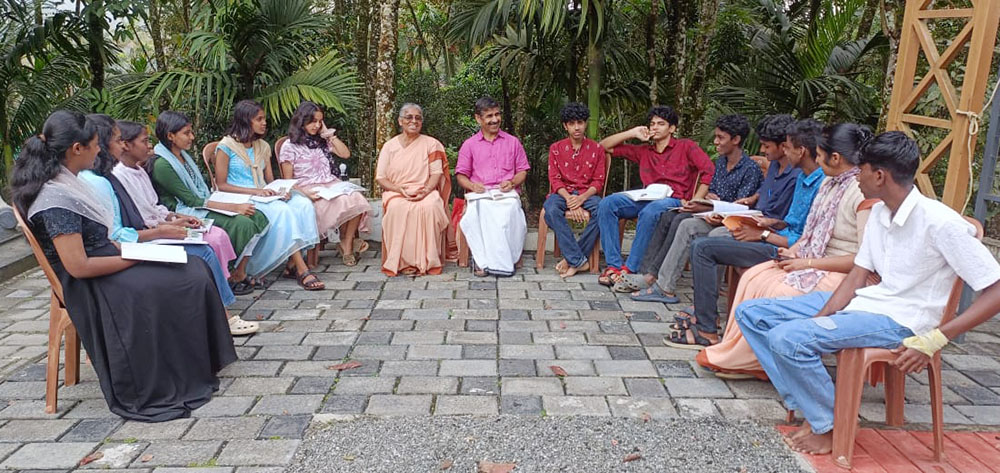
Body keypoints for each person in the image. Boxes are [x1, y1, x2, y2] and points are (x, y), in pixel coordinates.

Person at [737, 131, 1000, 455]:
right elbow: (858, 274)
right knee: (753, 313)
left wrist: (936, 339)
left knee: (787, 339)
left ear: (879, 175)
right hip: (867, 305)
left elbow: (996, 289)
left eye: (859, 169)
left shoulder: (941, 223)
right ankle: (809, 403)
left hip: (902, 320)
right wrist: (818, 320)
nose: (854, 176)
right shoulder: (879, 212)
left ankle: (830, 424)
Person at [10, 110, 236, 421]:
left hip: (107, 261)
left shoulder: (68, 182)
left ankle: (194, 365)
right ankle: (168, 376)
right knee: (183, 280)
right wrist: (134, 256)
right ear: (76, 149)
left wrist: (132, 251)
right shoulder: (55, 199)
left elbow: (98, 239)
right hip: (92, 284)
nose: (100, 149)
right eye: (94, 144)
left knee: (193, 266)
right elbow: (78, 267)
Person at [697, 123, 876, 378]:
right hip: (816, 260)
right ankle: (742, 354)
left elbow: (865, 260)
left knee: (779, 289)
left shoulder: (861, 192)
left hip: (846, 274)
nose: (817, 159)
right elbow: (811, 232)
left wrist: (809, 263)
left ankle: (759, 361)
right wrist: (798, 252)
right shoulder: (830, 183)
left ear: (835, 158)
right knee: (753, 276)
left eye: (821, 154)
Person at [77, 114, 258, 336]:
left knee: (208, 242)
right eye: (117, 141)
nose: (147, 146)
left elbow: (151, 207)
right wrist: (160, 231)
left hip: (142, 235)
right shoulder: (105, 180)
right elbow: (117, 233)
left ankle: (219, 308)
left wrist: (171, 219)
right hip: (131, 245)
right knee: (202, 252)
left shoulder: (123, 174)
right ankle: (220, 315)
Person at [667, 118, 827, 349]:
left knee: (704, 247)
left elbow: (804, 240)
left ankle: (707, 329)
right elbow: (791, 222)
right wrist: (767, 222)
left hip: (783, 249)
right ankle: (703, 316)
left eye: (787, 147)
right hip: (771, 231)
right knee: (696, 235)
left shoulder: (822, 185)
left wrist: (761, 234)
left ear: (800, 151)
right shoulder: (803, 176)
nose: (782, 151)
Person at [627, 114, 764, 299]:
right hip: (712, 214)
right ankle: (652, 275)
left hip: (729, 221)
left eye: (720, 138)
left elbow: (740, 208)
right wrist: (706, 199)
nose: (715, 142)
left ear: (736, 140)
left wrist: (713, 210)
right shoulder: (721, 162)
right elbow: (713, 191)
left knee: (683, 222)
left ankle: (659, 280)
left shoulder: (750, 169)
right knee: (672, 216)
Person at [150, 110, 270, 294]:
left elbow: (201, 193)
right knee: (242, 223)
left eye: (191, 131)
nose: (192, 137)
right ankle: (226, 275)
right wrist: (234, 207)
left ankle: (239, 272)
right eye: (187, 133)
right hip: (184, 211)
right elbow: (191, 200)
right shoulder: (162, 164)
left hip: (202, 203)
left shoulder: (183, 156)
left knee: (259, 216)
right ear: (170, 136)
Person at [596, 106, 715, 287]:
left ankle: (630, 269)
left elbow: (708, 170)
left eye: (661, 124)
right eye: (652, 124)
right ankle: (614, 266)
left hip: (674, 199)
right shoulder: (644, 150)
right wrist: (632, 132)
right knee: (607, 203)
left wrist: (696, 201)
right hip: (647, 196)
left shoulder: (686, 147)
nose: (655, 127)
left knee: (650, 211)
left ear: (672, 128)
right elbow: (603, 147)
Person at [112, 120, 240, 287]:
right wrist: (168, 225)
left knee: (217, 234)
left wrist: (175, 217)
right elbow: (141, 217)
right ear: (126, 145)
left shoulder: (139, 170)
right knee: (209, 244)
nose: (150, 146)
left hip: (163, 223)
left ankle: (222, 284)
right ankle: (217, 293)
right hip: (149, 233)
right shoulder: (121, 176)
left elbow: (154, 205)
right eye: (144, 141)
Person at [214, 100, 323, 290]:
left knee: (301, 203)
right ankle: (301, 269)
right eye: (259, 119)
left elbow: (270, 180)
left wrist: (281, 191)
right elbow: (221, 185)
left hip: (263, 193)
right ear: (245, 121)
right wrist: (256, 191)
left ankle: (291, 264)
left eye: (264, 118)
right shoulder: (226, 146)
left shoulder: (262, 146)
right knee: (282, 211)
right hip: (239, 196)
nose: (264, 123)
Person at [279, 101, 370, 267]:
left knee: (356, 197)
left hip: (330, 183)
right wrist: (305, 194)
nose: (317, 125)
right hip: (306, 188)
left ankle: (346, 242)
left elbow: (345, 154)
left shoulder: (321, 141)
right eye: (313, 121)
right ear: (302, 121)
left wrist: (329, 135)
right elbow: (288, 180)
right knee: (340, 200)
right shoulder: (289, 146)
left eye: (320, 121)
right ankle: (344, 243)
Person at [455, 96, 530, 277]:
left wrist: (512, 182)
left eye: (497, 115)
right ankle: (482, 261)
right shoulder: (469, 145)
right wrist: (473, 186)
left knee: (509, 211)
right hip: (481, 195)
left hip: (506, 194)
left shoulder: (512, 142)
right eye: (489, 116)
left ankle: (505, 260)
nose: (495, 119)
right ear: (478, 119)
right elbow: (461, 176)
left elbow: (523, 171)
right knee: (479, 212)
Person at [375, 103, 452, 276]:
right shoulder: (389, 146)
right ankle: (402, 262)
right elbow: (381, 178)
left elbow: (437, 173)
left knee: (431, 207)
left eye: (418, 118)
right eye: (409, 117)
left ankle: (429, 261)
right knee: (397, 208)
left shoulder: (432, 144)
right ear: (400, 121)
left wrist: (425, 191)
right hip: (397, 192)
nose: (414, 121)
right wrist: (400, 190)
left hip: (426, 190)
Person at [543, 102, 607, 278]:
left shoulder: (597, 149)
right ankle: (578, 260)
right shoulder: (556, 148)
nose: (576, 128)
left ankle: (573, 259)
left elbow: (598, 181)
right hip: (563, 193)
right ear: (565, 126)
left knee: (603, 210)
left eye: (580, 122)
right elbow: (554, 179)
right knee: (550, 209)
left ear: (585, 123)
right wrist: (570, 199)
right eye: (571, 123)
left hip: (588, 194)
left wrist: (581, 199)